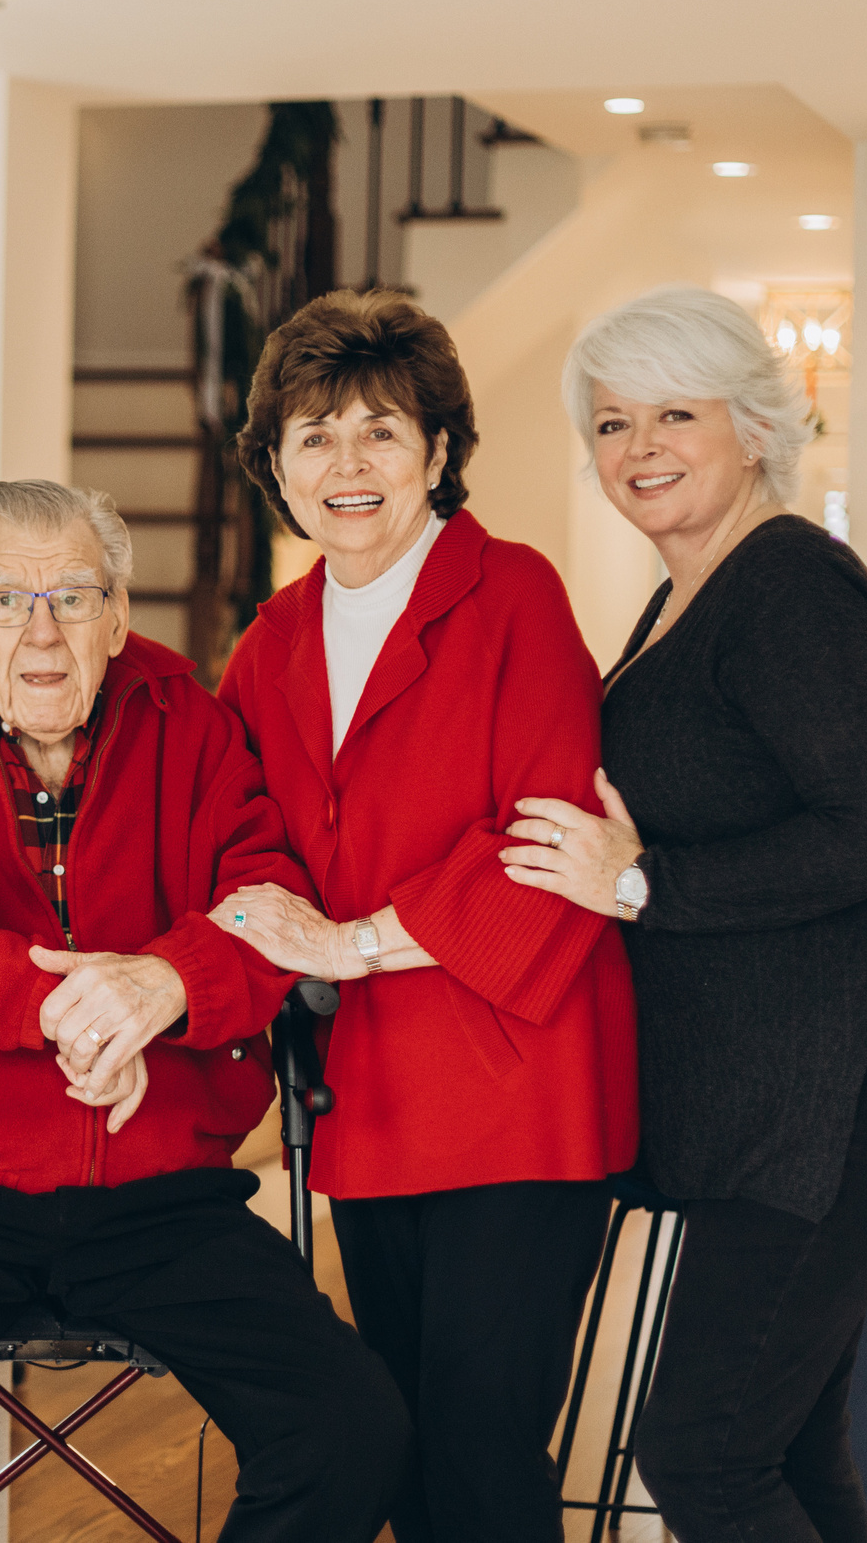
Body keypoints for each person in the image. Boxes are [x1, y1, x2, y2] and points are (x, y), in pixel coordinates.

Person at [0, 479, 411, 1543]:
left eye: (72, 595)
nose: (42, 630)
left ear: (116, 616)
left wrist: (165, 983)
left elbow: (268, 897)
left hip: (163, 1197)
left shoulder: (192, 726)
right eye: (5, 600)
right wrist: (71, 1006)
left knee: (352, 1430)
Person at [496, 285, 867, 1543]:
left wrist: (641, 884)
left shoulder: (788, 586)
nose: (639, 448)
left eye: (676, 414)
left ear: (756, 427)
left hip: (835, 1103)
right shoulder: (690, 593)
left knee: (703, 1454)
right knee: (784, 1445)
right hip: (778, 1103)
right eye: (611, 423)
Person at [208, 290, 639, 1543]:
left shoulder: (513, 595)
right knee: (399, 1447)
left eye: (380, 433)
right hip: (370, 1095)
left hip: (522, 1087)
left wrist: (346, 944)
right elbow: (237, 843)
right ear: (276, 468)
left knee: (482, 1453)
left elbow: (545, 844)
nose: (346, 466)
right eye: (314, 437)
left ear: (437, 452)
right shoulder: (268, 644)